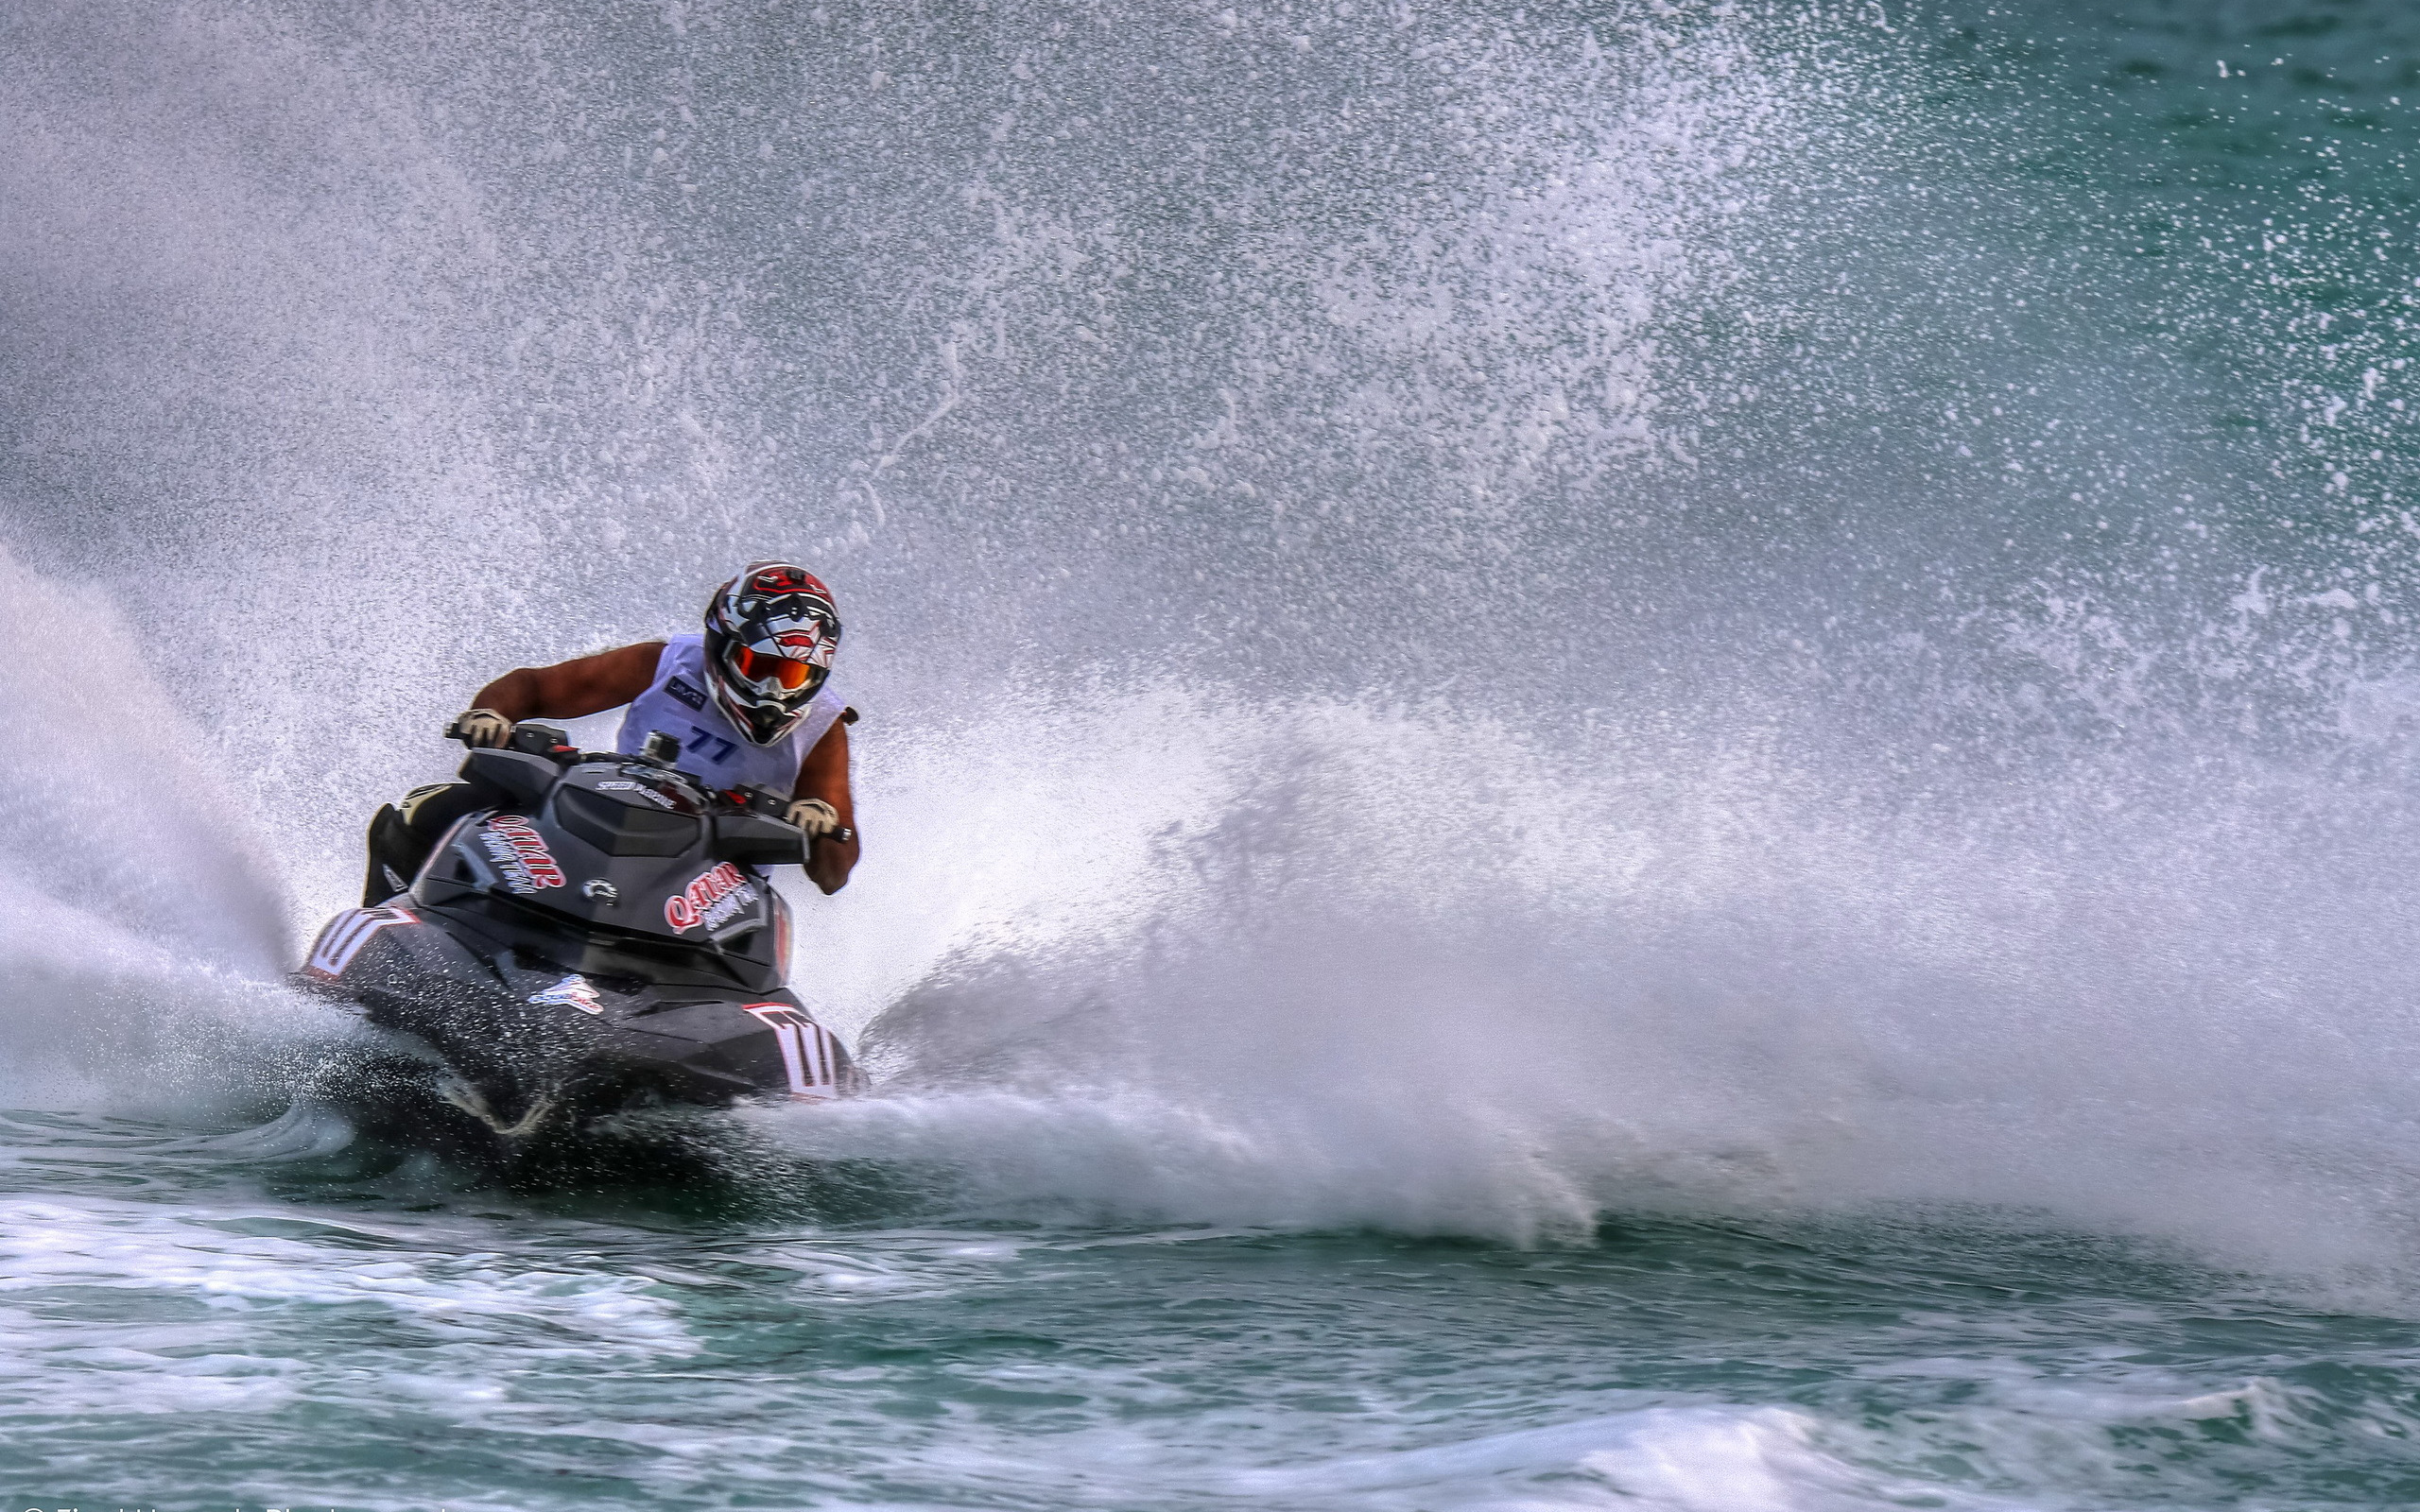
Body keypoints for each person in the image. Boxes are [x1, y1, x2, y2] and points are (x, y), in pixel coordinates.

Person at [363, 561, 860, 903]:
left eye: (793, 676)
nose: (774, 690)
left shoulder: (822, 727)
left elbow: (835, 873)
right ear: (721, 645)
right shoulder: (663, 665)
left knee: (764, 925)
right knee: (432, 810)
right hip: (604, 832)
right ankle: (384, 938)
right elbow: (535, 688)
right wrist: (493, 715)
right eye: (759, 665)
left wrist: (819, 824)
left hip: (717, 886)